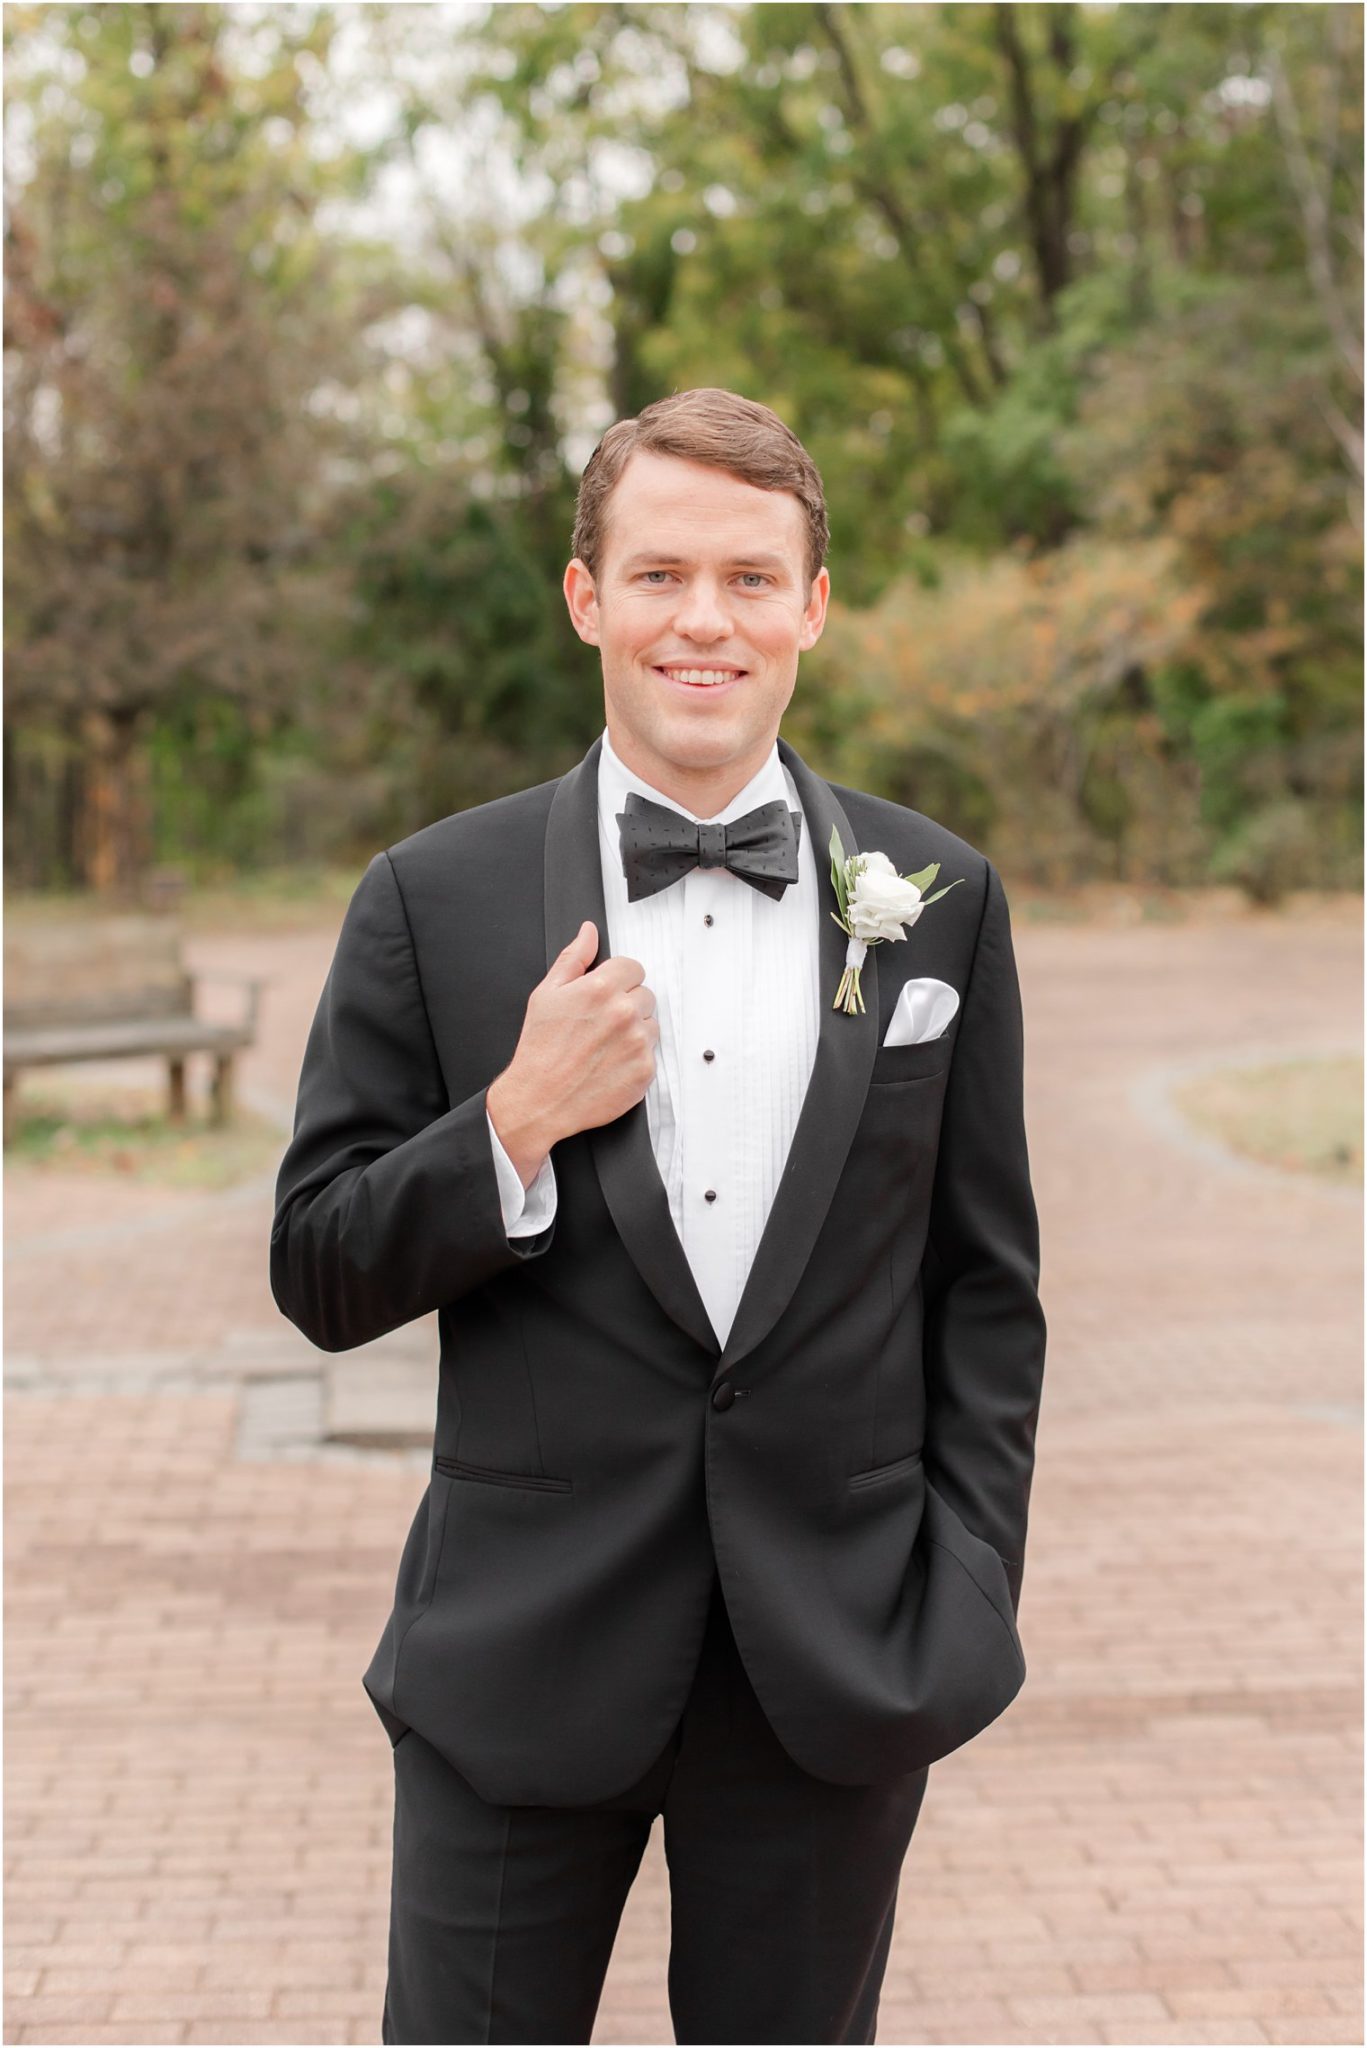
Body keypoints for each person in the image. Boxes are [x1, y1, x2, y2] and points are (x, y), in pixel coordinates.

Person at [270, 386, 1047, 2045]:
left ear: (815, 609)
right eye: (662, 574)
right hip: (520, 1653)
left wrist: (967, 1580)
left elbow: (987, 1287)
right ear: (587, 597)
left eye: (754, 579)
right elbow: (320, 1264)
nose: (707, 620)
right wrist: (512, 1123)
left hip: (831, 1663)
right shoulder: (433, 898)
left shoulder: (939, 903)